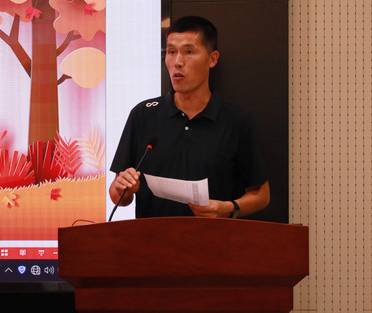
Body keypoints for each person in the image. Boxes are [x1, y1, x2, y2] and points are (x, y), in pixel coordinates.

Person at [109, 16, 270, 218]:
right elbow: (118, 196)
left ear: (212, 59)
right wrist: (122, 189)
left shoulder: (236, 121)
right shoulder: (143, 114)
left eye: (189, 52)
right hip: (151, 236)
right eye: (171, 52)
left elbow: (261, 195)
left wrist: (228, 209)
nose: (177, 62)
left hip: (213, 236)